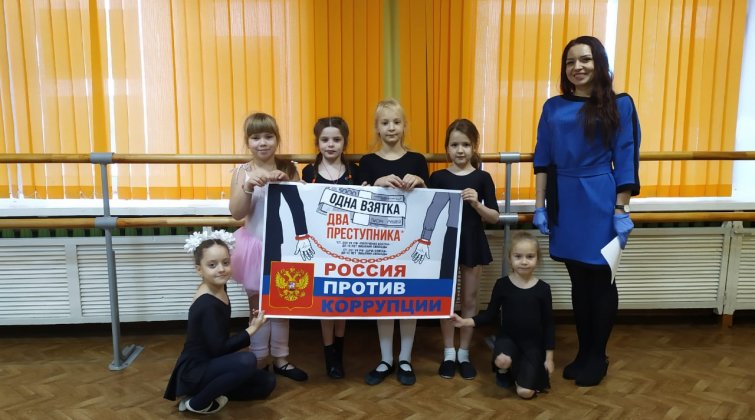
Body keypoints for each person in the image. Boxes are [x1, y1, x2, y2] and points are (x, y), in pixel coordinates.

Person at [532, 35, 641, 387]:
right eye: (570, 61)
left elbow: (626, 156)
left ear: (599, 64)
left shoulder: (619, 104)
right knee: (578, 280)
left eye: (585, 59)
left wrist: (621, 208)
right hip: (564, 197)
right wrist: (539, 207)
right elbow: (542, 160)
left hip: (600, 198)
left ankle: (598, 355)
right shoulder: (553, 107)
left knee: (602, 279)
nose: (577, 67)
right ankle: (582, 353)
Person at [229, 112, 309, 382]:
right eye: (255, 137)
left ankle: (281, 359)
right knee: (258, 306)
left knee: (285, 303)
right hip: (254, 246)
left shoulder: (289, 168)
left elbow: (300, 205)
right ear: (247, 141)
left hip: (284, 246)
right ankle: (259, 358)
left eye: (268, 136)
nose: (262, 142)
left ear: (277, 139)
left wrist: (289, 183)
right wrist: (249, 186)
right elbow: (237, 213)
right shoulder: (242, 171)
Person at [164, 230, 276, 414]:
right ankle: (197, 403)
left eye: (225, 262)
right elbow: (220, 348)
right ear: (199, 269)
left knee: (266, 382)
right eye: (212, 265)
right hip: (196, 370)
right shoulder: (207, 304)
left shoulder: (219, 286)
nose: (221, 269)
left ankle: (207, 391)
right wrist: (252, 328)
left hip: (212, 362)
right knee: (247, 360)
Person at [359, 98, 429, 386]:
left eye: (396, 122)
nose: (391, 128)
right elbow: (358, 204)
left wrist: (421, 183)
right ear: (377, 127)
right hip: (380, 244)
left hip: (410, 244)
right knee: (384, 300)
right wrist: (375, 184)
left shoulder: (418, 161)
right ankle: (386, 358)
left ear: (404, 126)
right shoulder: (367, 162)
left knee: (408, 299)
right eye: (385, 123)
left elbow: (431, 203)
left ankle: (405, 358)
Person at [426, 119, 499, 380]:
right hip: (445, 244)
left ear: (474, 146)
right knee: (446, 300)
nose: (460, 150)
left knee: (469, 300)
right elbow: (429, 212)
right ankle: (448, 352)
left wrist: (477, 204)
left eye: (466, 144)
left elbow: (494, 217)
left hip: (472, 242)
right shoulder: (438, 177)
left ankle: (464, 353)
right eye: (454, 145)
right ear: (447, 147)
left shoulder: (482, 177)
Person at [451, 231, 554, 399]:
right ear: (510, 258)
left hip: (533, 345)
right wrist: (464, 322)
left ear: (537, 259)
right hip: (508, 339)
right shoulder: (502, 285)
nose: (524, 261)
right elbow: (489, 315)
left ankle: (519, 370)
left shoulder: (543, 289)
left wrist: (549, 358)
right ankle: (503, 368)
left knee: (525, 393)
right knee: (503, 360)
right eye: (518, 256)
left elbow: (549, 324)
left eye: (530, 256)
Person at [301, 116, 359, 379]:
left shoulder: (355, 171)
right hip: (319, 247)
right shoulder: (308, 173)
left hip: (349, 246)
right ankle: (329, 354)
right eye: (325, 140)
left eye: (336, 139)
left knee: (342, 299)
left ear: (345, 142)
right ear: (318, 142)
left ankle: (340, 348)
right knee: (325, 301)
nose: (331, 144)